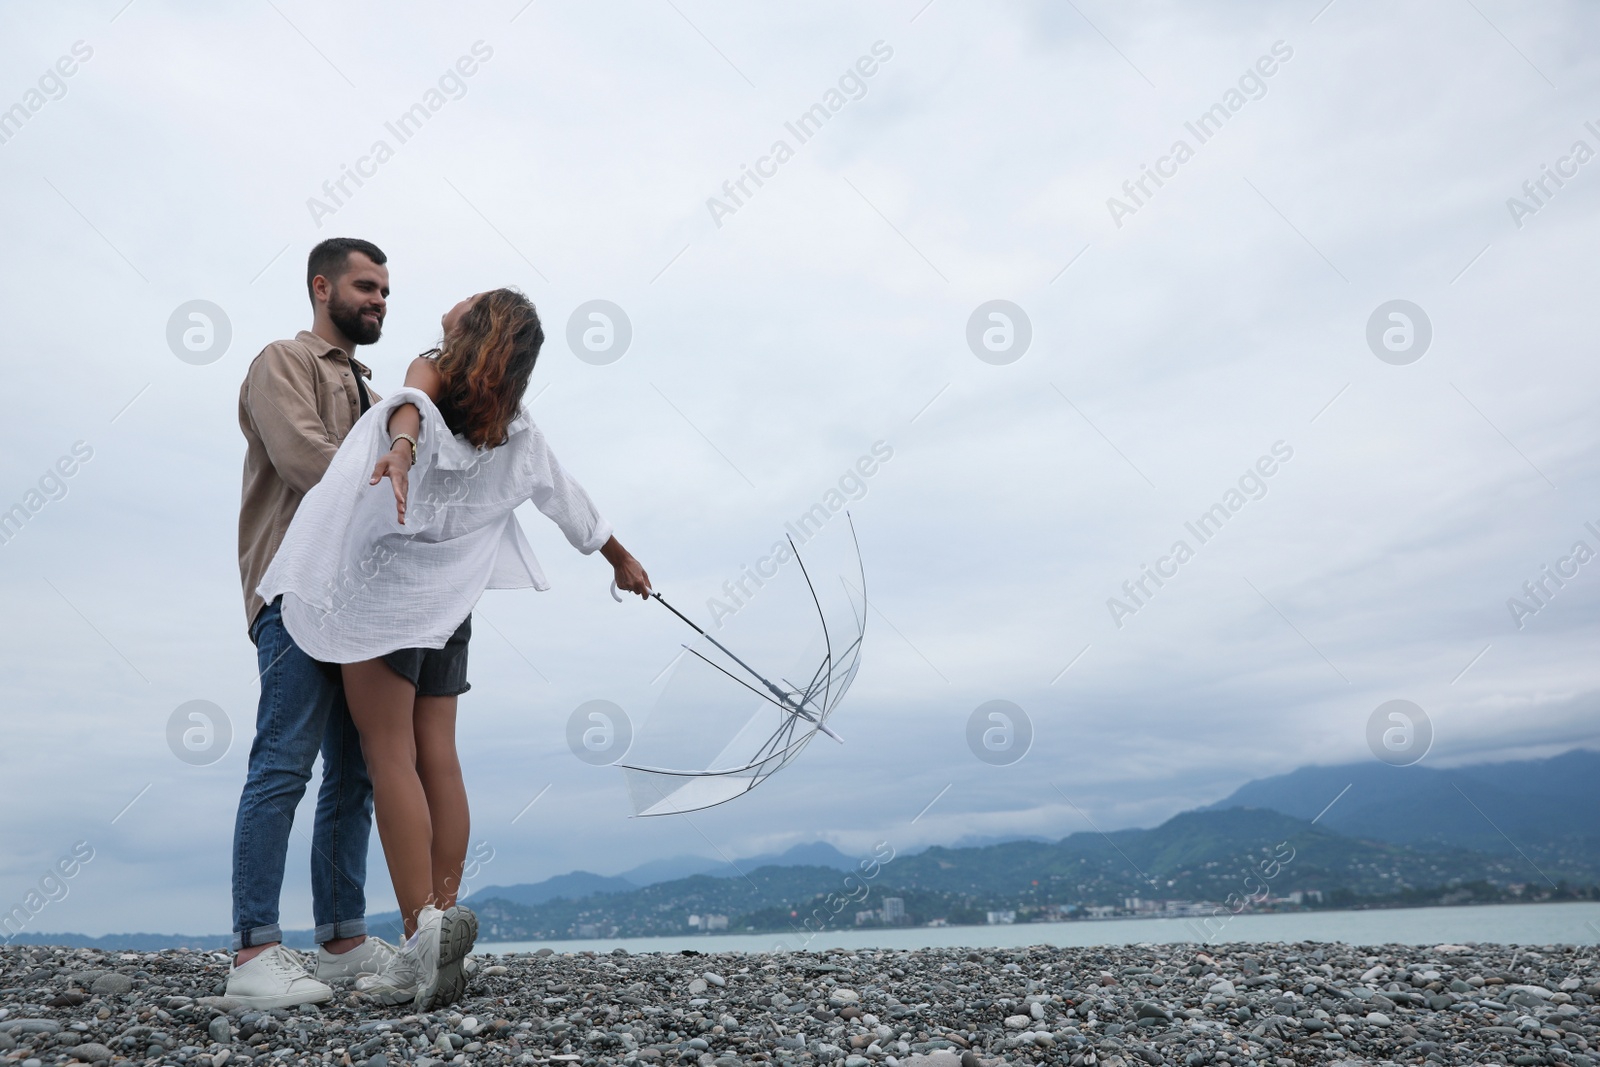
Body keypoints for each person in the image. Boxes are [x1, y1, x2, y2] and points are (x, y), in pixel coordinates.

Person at [259, 287, 650, 1008]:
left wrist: (402, 449)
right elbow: (568, 498)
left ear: (476, 329)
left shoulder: (433, 373)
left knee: (389, 753)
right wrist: (619, 558)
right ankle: (442, 913)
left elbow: (407, 405)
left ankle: (418, 937)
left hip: (384, 592)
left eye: (464, 302)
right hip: (454, 599)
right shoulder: (515, 428)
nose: (447, 303)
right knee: (438, 750)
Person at [229, 238, 401, 1007]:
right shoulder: (281, 362)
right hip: (295, 592)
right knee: (283, 764)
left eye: (387, 291)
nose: (379, 300)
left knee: (357, 772)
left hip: (358, 605)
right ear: (321, 285)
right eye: (367, 286)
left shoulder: (376, 393)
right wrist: (396, 477)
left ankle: (340, 939)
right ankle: (253, 953)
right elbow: (304, 458)